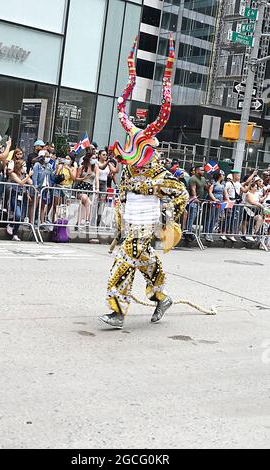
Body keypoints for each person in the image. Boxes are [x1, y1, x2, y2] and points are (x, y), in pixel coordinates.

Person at [99, 34, 188, 329]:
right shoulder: (129, 172)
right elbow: (123, 194)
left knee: (124, 265)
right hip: (130, 226)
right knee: (141, 262)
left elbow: (182, 195)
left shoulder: (162, 176)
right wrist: (119, 211)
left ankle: (117, 311)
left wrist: (167, 217)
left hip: (146, 225)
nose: (135, 167)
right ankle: (162, 296)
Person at [6, 156, 33, 241]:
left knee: (21, 216)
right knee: (17, 214)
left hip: (23, 195)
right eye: (23, 166)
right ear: (19, 167)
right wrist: (28, 176)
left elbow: (31, 183)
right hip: (15, 195)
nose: (25, 168)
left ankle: (15, 234)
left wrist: (27, 175)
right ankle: (10, 224)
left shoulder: (24, 174)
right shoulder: (13, 174)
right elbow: (21, 182)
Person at [75, 152, 99, 227]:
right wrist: (84, 178)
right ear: (88, 158)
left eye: (95, 158)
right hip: (81, 187)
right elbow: (76, 179)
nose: (94, 160)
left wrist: (97, 188)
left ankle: (78, 222)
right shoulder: (82, 167)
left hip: (89, 187)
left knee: (84, 205)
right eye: (93, 158)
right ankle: (87, 220)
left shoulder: (95, 167)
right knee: (87, 201)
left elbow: (97, 178)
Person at [204, 170, 229, 242]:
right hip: (214, 202)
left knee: (215, 217)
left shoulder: (223, 184)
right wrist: (214, 199)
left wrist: (228, 200)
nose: (224, 177)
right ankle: (206, 233)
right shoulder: (214, 183)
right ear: (220, 176)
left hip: (219, 202)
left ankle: (210, 232)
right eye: (223, 175)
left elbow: (225, 193)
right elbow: (210, 192)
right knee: (210, 217)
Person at [185, 166, 206, 241]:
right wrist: (195, 197)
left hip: (199, 201)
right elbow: (193, 189)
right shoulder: (193, 179)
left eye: (204, 170)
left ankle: (189, 231)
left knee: (194, 218)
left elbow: (205, 187)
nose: (203, 171)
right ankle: (188, 233)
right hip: (193, 201)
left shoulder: (203, 179)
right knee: (191, 217)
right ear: (197, 170)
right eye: (201, 170)